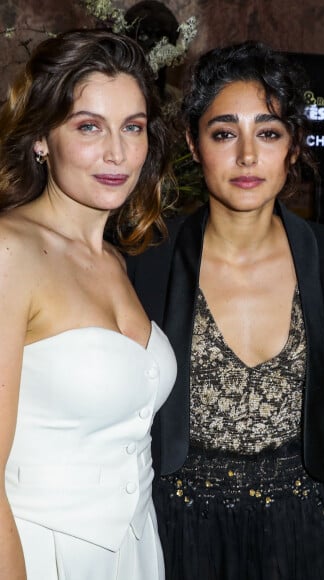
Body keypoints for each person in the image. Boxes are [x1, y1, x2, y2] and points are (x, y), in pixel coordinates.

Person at [127, 41, 324, 580]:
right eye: (223, 133)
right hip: (180, 534)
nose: (246, 156)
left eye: (268, 132)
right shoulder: (144, 266)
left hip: (305, 535)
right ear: (193, 143)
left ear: (293, 146)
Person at [0, 30, 177, 580]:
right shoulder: (10, 252)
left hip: (137, 548)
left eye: (133, 127)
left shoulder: (119, 263)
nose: (117, 153)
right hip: (40, 553)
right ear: (40, 140)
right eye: (88, 126)